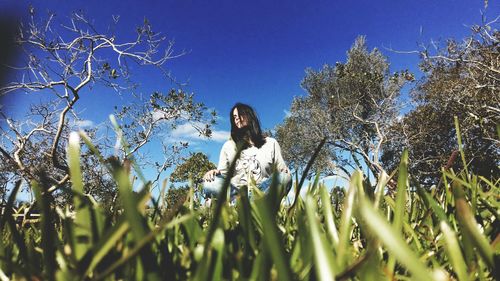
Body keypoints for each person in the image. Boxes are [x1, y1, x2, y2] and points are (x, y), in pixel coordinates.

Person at [203, 103, 292, 199]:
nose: (236, 118)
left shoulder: (271, 143)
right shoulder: (228, 146)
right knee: (210, 184)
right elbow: (223, 174)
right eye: (234, 117)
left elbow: (282, 170)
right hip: (237, 193)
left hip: (262, 192)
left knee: (284, 178)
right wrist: (213, 173)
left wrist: (285, 172)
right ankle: (243, 205)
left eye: (239, 114)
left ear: (249, 116)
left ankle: (257, 204)